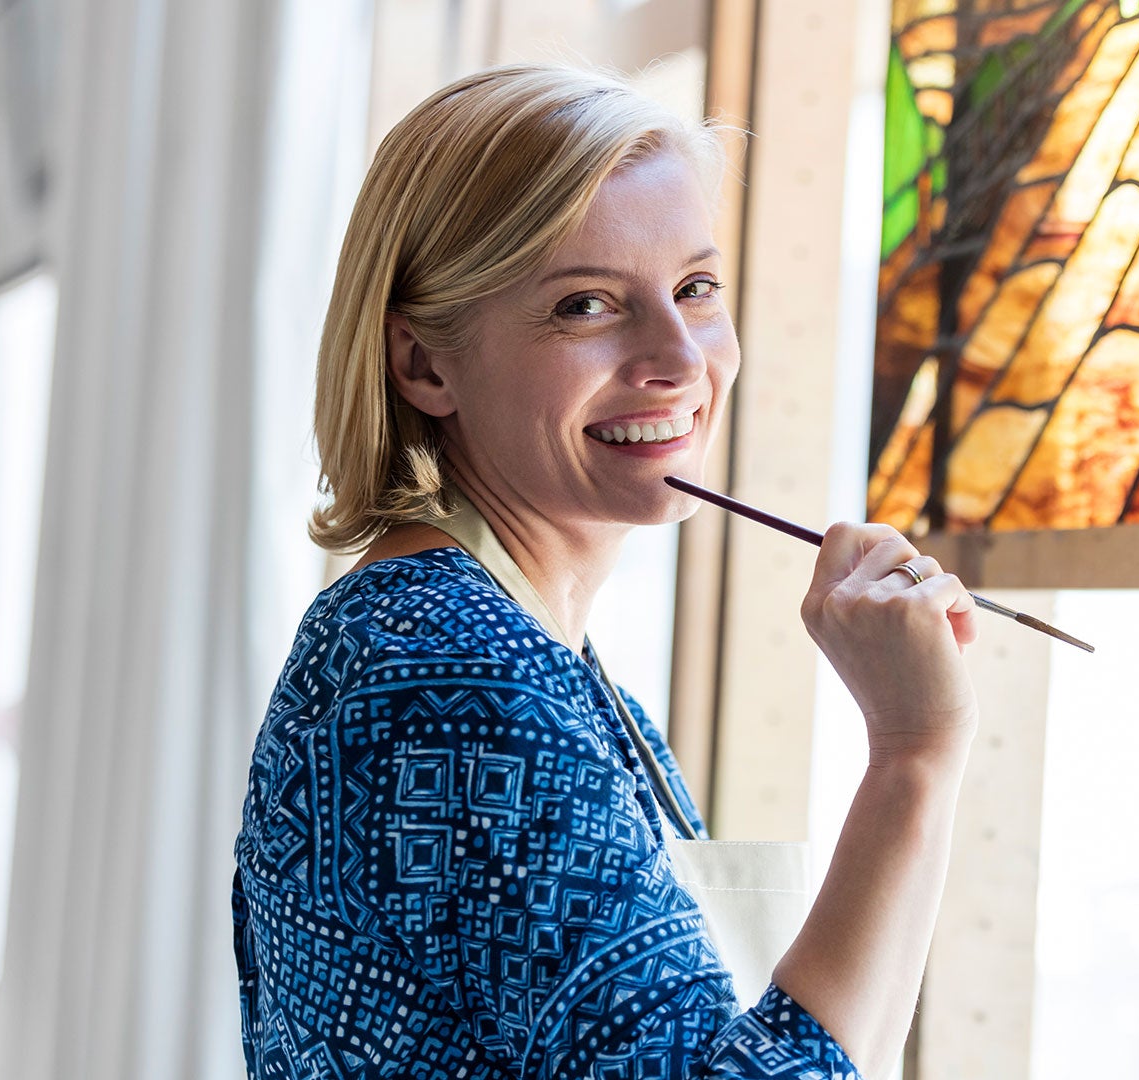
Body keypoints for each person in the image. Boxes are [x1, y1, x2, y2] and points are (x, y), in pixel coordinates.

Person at [233, 63, 980, 1079]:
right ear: (424, 366)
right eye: (586, 304)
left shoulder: (507, 651)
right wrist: (913, 753)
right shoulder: (453, 678)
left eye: (696, 289)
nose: (680, 356)